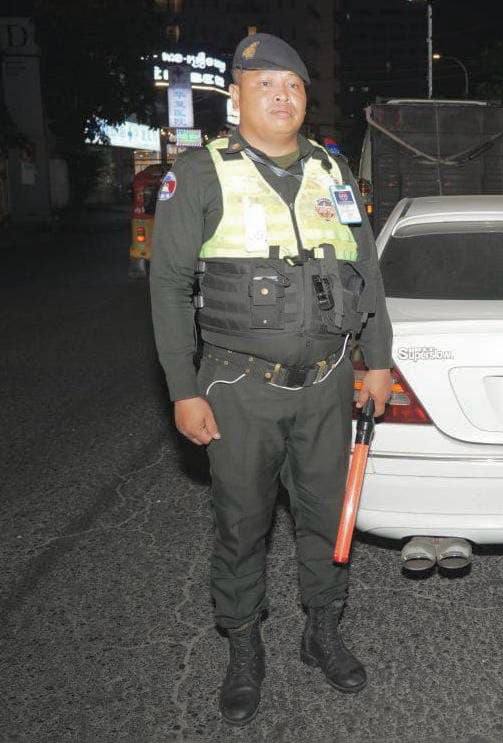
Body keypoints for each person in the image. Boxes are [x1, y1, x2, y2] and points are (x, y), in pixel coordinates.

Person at [149, 33, 393, 726]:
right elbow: (168, 287)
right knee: (242, 523)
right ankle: (243, 646)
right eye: (265, 84)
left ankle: (323, 629)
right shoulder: (200, 173)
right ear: (236, 96)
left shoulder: (332, 171)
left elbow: (366, 271)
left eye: (293, 85)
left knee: (326, 516)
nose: (282, 95)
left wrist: (378, 359)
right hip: (238, 387)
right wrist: (182, 388)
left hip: (328, 383)